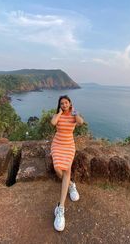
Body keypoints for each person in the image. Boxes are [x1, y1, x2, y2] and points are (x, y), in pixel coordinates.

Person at [50, 95, 84, 232]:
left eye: (66, 102)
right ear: (59, 105)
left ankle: (61, 208)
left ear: (70, 103)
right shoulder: (57, 115)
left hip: (69, 145)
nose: (64, 105)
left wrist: (75, 112)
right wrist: (59, 113)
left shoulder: (74, 115)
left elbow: (81, 122)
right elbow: (53, 123)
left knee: (67, 171)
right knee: (58, 169)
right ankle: (71, 184)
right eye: (61, 103)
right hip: (57, 145)